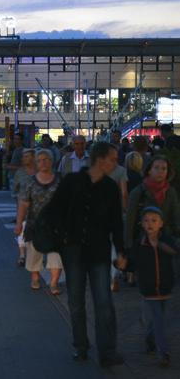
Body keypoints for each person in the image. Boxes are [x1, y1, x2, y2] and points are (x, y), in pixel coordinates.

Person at [48, 142, 126, 367]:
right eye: (112, 158)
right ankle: (81, 346)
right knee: (76, 302)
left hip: (99, 252)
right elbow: (54, 211)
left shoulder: (110, 187)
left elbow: (115, 224)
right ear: (100, 159)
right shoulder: (73, 182)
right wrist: (63, 239)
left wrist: (120, 250)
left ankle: (107, 351)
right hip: (73, 252)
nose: (115, 163)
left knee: (103, 302)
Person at [126, 206, 178, 368]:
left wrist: (165, 248)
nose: (150, 224)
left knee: (158, 318)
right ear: (142, 224)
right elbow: (131, 263)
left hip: (165, 286)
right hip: (148, 288)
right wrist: (121, 264)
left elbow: (175, 252)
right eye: (146, 220)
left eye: (154, 221)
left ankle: (150, 339)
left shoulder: (167, 240)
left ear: (161, 223)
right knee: (159, 319)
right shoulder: (139, 244)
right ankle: (164, 353)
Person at [15, 149, 63, 294]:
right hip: (35, 224)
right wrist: (19, 223)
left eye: (46, 159)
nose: (43, 162)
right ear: (36, 163)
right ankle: (35, 277)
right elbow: (23, 203)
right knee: (34, 254)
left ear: (51, 161)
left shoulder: (60, 179)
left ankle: (54, 283)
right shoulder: (30, 182)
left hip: (56, 225)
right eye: (40, 160)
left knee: (56, 255)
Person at [125, 155, 180, 263]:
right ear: (149, 170)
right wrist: (128, 247)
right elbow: (130, 220)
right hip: (143, 241)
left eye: (164, 168)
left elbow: (175, 217)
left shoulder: (170, 192)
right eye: (156, 168)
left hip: (165, 241)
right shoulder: (138, 192)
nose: (160, 171)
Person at [12, 149, 36, 267]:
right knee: (21, 229)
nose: (24, 159)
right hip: (23, 206)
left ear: (33, 157)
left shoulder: (39, 170)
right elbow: (15, 188)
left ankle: (35, 254)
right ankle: (22, 255)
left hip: (37, 207)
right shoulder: (20, 172)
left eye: (26, 156)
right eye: (23, 157)